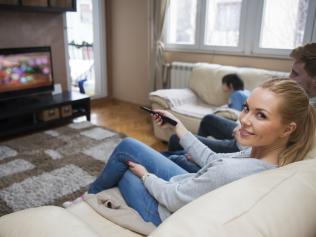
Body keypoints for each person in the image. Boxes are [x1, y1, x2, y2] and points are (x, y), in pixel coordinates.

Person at [81, 78, 315, 226]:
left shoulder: (233, 170)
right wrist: (178, 126)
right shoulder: (266, 156)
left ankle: (87, 198)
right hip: (188, 186)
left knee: (126, 161)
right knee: (134, 147)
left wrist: (146, 176)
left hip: (167, 212)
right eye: (246, 109)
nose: (243, 120)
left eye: (260, 115)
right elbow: (215, 162)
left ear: (288, 129)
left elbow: (173, 199)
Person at [167, 43, 316, 159]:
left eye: (295, 73)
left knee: (176, 140)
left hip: (244, 146)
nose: (289, 77)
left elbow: (261, 147)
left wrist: (202, 155)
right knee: (208, 120)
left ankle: (187, 158)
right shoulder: (301, 99)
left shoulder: (306, 114)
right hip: (244, 138)